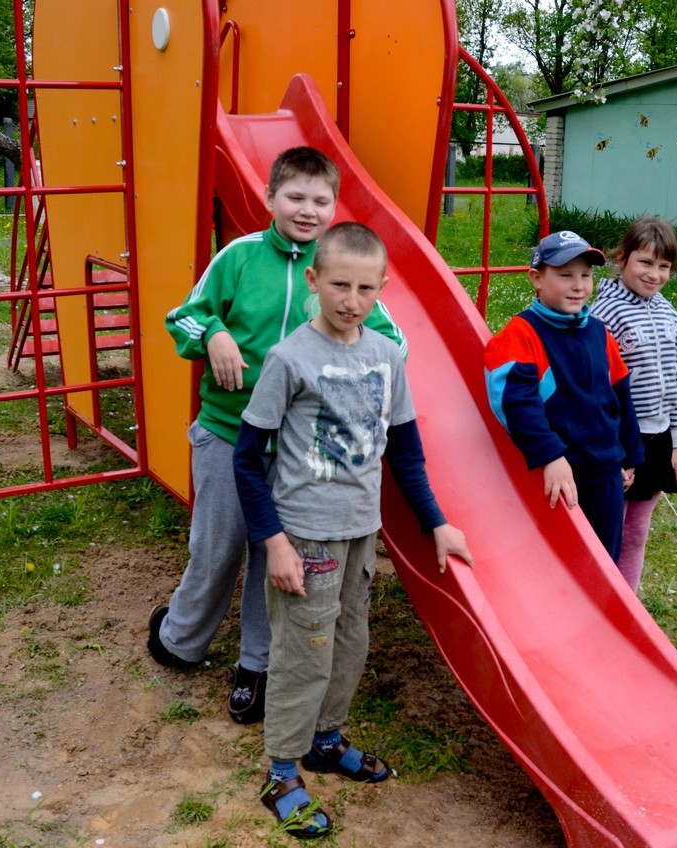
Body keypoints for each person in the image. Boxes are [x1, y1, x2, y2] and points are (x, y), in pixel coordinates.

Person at [232, 222, 472, 839]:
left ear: (382, 288)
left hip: (361, 532)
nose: (351, 300)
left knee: (348, 644)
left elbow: (407, 454)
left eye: (366, 288)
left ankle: (324, 740)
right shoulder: (290, 359)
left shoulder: (387, 357)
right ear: (314, 280)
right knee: (303, 653)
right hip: (305, 537)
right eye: (339, 285)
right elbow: (247, 459)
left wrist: (437, 523)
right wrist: (273, 541)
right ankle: (281, 772)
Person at [151, 147, 406, 725]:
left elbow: (392, 343)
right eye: (295, 197)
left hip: (297, 452)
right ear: (269, 198)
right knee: (217, 548)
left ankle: (257, 666)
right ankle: (180, 638)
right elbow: (184, 315)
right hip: (228, 431)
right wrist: (213, 334)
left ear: (334, 206)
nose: (308, 210)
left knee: (278, 557)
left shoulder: (337, 270)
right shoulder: (239, 257)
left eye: (321, 200)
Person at [483, 230, 643, 562]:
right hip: (558, 475)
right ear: (536, 279)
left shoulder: (599, 333)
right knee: (558, 562)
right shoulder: (522, 334)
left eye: (585, 275)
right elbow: (516, 404)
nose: (578, 285)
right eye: (565, 275)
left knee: (603, 561)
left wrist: (630, 454)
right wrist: (551, 457)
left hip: (606, 474)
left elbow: (620, 395)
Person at [589, 216, 677, 592]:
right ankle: (598, 598)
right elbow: (596, 388)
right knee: (607, 530)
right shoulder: (605, 314)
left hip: (658, 438)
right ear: (623, 258)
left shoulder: (669, 314)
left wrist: (676, 444)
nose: (655, 274)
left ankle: (627, 602)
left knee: (637, 530)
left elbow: (675, 381)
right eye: (645, 262)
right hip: (620, 440)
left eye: (664, 266)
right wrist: (610, 450)